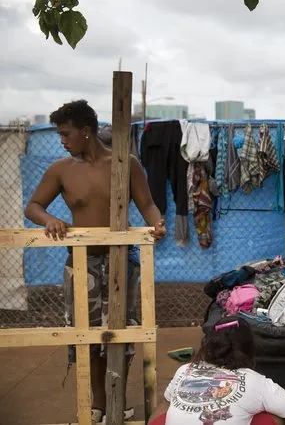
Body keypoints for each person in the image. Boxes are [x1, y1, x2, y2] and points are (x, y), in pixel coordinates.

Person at [24, 100, 167, 422]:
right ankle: (98, 405)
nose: (62, 140)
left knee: (123, 331)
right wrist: (48, 219)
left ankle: (117, 400)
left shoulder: (125, 164)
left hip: (121, 261)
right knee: (85, 334)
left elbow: (147, 205)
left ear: (85, 131)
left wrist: (156, 224)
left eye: (65, 133)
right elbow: (33, 205)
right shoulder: (61, 169)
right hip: (81, 263)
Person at [149, 317, 285, 425]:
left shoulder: (185, 370)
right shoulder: (257, 382)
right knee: (272, 418)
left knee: (164, 414)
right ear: (248, 347)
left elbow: (159, 413)